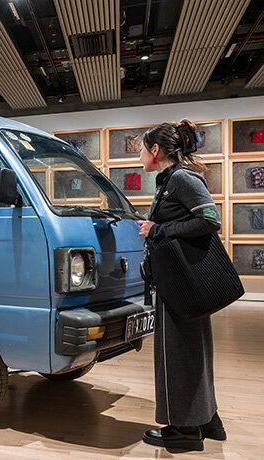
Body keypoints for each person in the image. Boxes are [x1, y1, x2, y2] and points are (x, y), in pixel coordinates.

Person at [137, 119, 225, 451]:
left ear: (156, 151)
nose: (140, 157)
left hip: (181, 284)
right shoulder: (171, 180)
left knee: (178, 354)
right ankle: (207, 420)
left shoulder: (182, 178)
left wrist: (157, 230)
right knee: (190, 352)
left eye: (143, 150)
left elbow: (208, 219)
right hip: (179, 281)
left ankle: (186, 432)